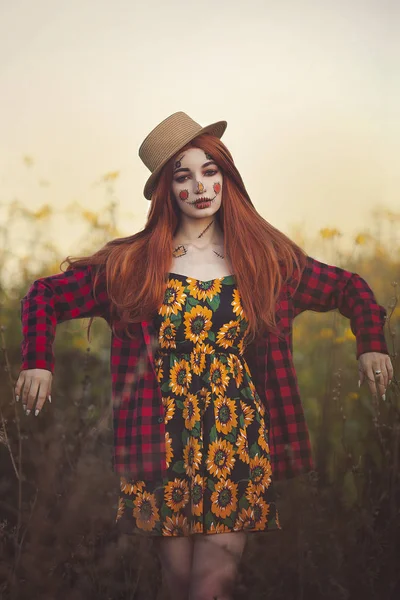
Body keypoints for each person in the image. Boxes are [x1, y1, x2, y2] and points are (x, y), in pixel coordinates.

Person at [15, 111, 393, 600]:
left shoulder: (263, 259)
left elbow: (350, 288)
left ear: (226, 177)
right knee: (176, 586)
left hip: (235, 436)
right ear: (167, 191)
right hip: (158, 438)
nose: (200, 186)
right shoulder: (133, 265)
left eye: (210, 171)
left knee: (211, 586)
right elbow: (43, 296)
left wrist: (371, 345)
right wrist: (38, 359)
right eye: (183, 176)